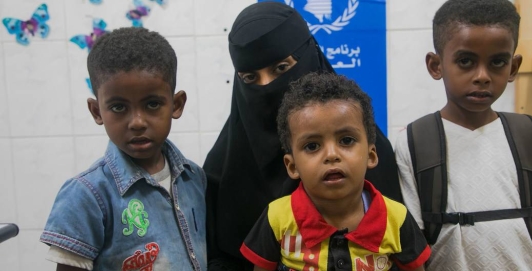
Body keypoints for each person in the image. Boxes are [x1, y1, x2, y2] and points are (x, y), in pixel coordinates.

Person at [203, 2, 402, 270]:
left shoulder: (365, 150)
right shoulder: (221, 169)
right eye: (250, 78)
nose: (267, 88)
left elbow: (400, 252)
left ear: (310, 56)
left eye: (281, 68)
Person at [394, 0, 532, 270]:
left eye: (497, 62)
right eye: (465, 61)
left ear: (513, 67)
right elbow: (411, 247)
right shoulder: (414, 141)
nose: (482, 76)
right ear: (436, 65)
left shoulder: (526, 134)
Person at [39, 27, 207, 271]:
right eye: (118, 107)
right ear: (97, 112)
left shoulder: (194, 178)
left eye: (152, 104)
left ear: (176, 104)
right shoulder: (86, 196)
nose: (137, 122)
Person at [240, 72, 430, 271]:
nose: (331, 155)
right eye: (312, 146)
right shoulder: (277, 218)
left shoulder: (396, 218)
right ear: (292, 166)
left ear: (371, 155)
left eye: (346, 141)